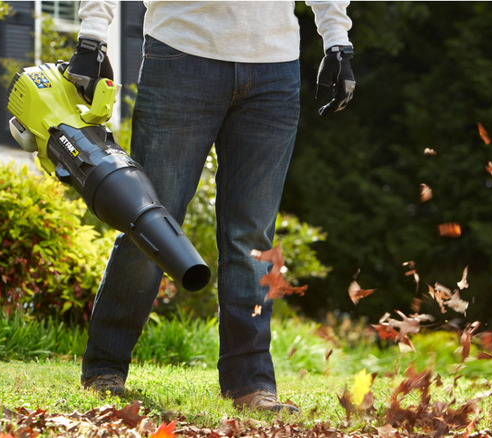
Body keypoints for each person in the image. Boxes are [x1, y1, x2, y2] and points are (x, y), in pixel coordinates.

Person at [65, 0, 355, 413]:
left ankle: (251, 382)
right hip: (181, 53)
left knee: (253, 237)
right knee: (148, 222)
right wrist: (93, 36)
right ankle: (105, 368)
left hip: (274, 65)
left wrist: (337, 41)